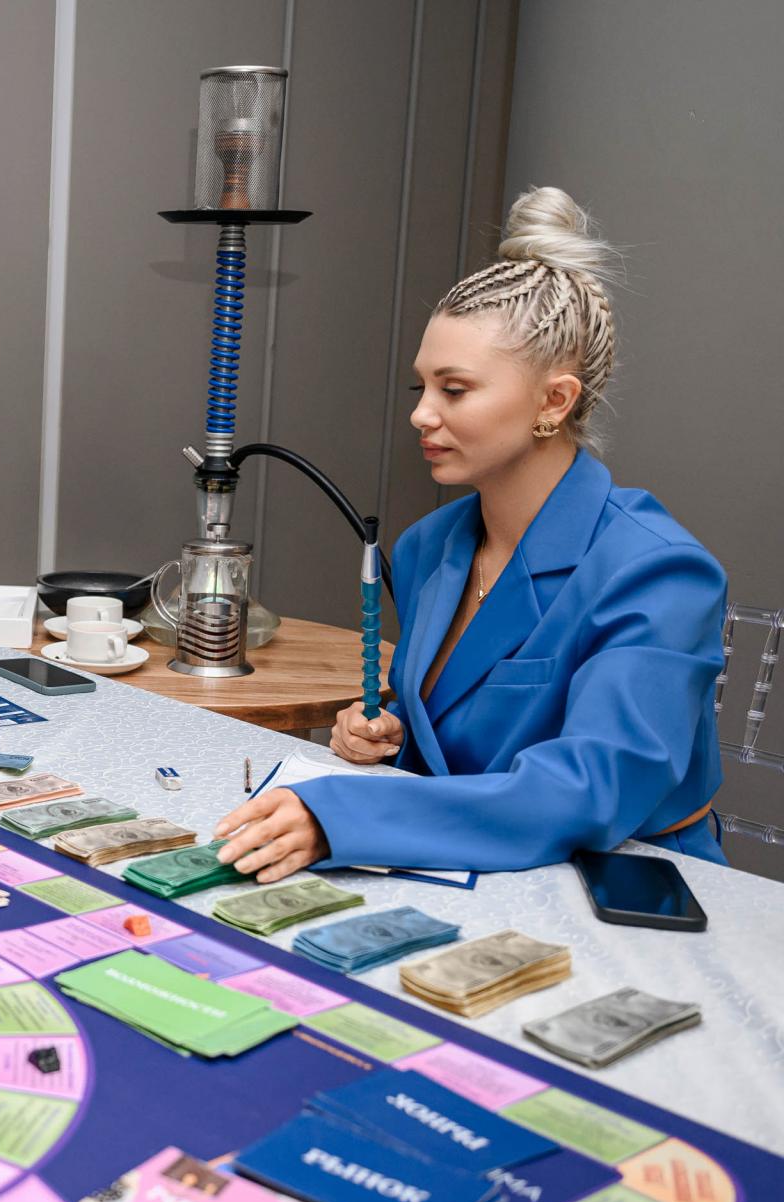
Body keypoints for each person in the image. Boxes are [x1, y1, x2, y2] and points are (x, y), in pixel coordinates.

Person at [213, 188, 725, 880]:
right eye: (420, 388)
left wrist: (344, 817)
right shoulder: (429, 546)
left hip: (618, 887)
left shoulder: (659, 572)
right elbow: (458, 731)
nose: (422, 415)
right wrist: (386, 735)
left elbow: (592, 788)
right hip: (460, 869)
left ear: (554, 400)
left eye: (453, 390)